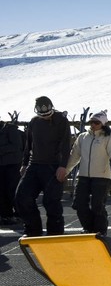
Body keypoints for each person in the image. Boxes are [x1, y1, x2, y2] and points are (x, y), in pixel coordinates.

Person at [16, 96, 72, 237]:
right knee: (22, 197)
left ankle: (55, 233)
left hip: (53, 166)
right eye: (42, 114)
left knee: (51, 201)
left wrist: (63, 166)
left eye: (47, 113)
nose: (46, 117)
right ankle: (33, 230)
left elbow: (66, 144)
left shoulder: (61, 121)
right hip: (34, 165)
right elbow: (29, 145)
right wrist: (24, 163)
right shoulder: (34, 122)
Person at [65, 111, 111, 235]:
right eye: (91, 122)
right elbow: (74, 155)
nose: (93, 124)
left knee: (97, 205)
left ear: (103, 124)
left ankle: (100, 230)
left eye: (96, 122)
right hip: (84, 175)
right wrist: (66, 170)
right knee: (79, 204)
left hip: (101, 176)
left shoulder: (108, 138)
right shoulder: (83, 137)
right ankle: (88, 227)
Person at [0, 119, 25, 225]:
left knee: (13, 190)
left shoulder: (10, 129)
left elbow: (16, 146)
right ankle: (6, 215)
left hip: (13, 164)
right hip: (2, 165)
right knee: (2, 191)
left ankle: (20, 214)